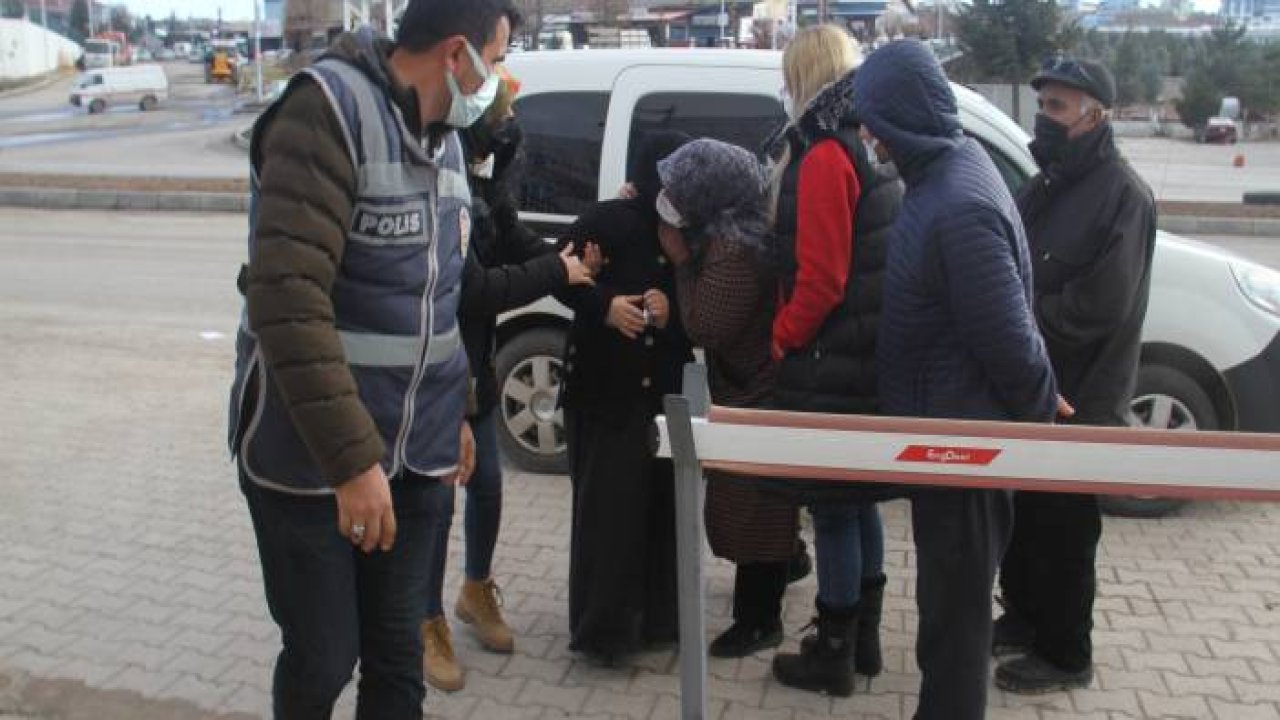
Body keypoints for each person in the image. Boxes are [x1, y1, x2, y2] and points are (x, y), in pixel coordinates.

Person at [226, 2, 518, 717]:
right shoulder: (324, 112)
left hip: (416, 461)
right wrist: (353, 464)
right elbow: (289, 302)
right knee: (325, 657)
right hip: (309, 462)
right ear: (457, 55)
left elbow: (439, 302)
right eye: (498, 60)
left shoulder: (445, 145)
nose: (501, 82)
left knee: (397, 660)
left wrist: (457, 415)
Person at [851, 40, 1061, 720]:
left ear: (903, 117)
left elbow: (1008, 338)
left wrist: (1036, 417)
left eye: (873, 120)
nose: (866, 135)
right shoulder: (942, 173)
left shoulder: (958, 204)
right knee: (947, 608)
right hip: (947, 437)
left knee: (958, 619)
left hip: (967, 447)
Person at [419, 71, 597, 692]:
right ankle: (426, 619)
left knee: (489, 486)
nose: (510, 124)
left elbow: (515, 240)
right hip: (440, 367)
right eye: (505, 114)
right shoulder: (444, 187)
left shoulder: (481, 184)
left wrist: (573, 256)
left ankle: (475, 589)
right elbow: (473, 288)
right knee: (436, 503)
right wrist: (555, 271)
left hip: (477, 366)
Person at [995, 57, 1157, 694]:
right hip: (1036, 390)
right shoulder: (1047, 183)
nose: (1045, 118)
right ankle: (1026, 619)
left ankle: (1066, 653)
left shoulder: (1124, 196)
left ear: (1097, 116)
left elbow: (1100, 305)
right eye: (1043, 106)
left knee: (1065, 530)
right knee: (1028, 519)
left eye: (1059, 108)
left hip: (1082, 398)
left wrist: (1019, 322)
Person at [761, 26, 904, 697]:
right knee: (860, 501)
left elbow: (819, 277)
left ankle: (834, 652)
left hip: (827, 360)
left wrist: (783, 335)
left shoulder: (822, 157)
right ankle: (865, 643)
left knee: (834, 509)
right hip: (862, 357)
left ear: (805, 78)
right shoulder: (863, 144)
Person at [648, 138, 805, 664]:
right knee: (763, 502)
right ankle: (789, 563)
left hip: (757, 394)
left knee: (751, 508)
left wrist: (679, 264)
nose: (668, 203)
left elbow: (704, 324)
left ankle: (759, 620)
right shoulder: (739, 232)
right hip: (754, 384)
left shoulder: (735, 252)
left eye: (680, 194)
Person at [558, 132, 695, 666]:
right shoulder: (608, 220)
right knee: (609, 515)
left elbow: (703, 304)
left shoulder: (689, 229)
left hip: (662, 395)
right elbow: (560, 275)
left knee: (661, 513)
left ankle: (660, 621)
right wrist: (607, 304)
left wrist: (670, 309)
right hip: (607, 392)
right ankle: (605, 632)